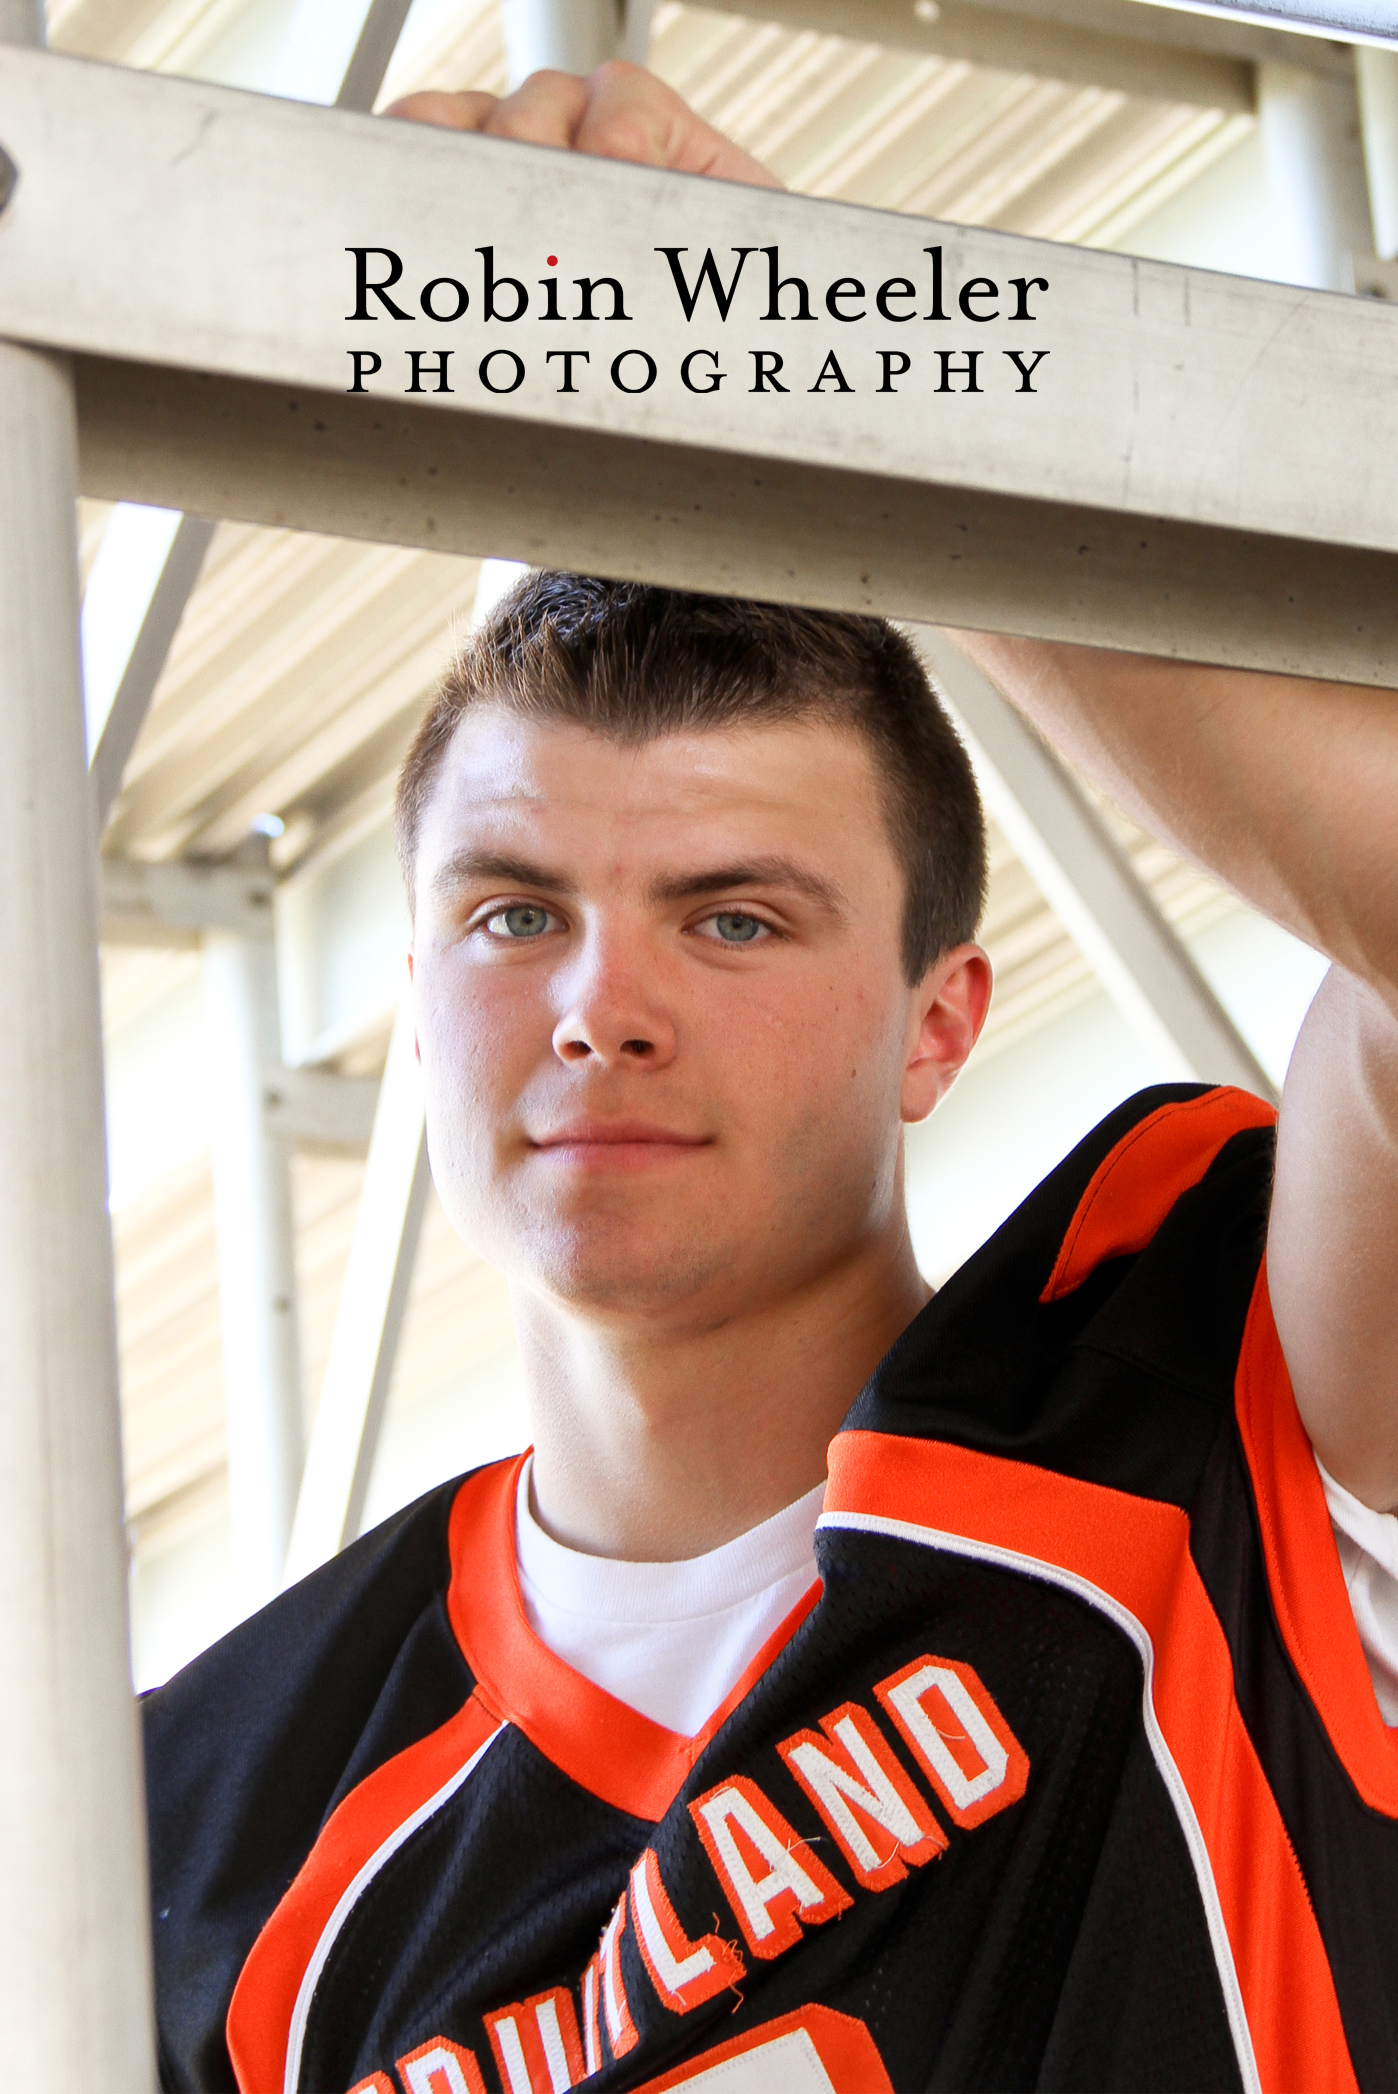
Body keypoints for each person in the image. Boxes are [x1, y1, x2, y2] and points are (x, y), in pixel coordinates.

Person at [143, 66, 1398, 2094]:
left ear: (943, 1020)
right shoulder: (208, 1810)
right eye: (513, 913)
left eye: (734, 917)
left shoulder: (1200, 1379)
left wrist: (823, 352)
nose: (601, 1007)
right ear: (408, 987)